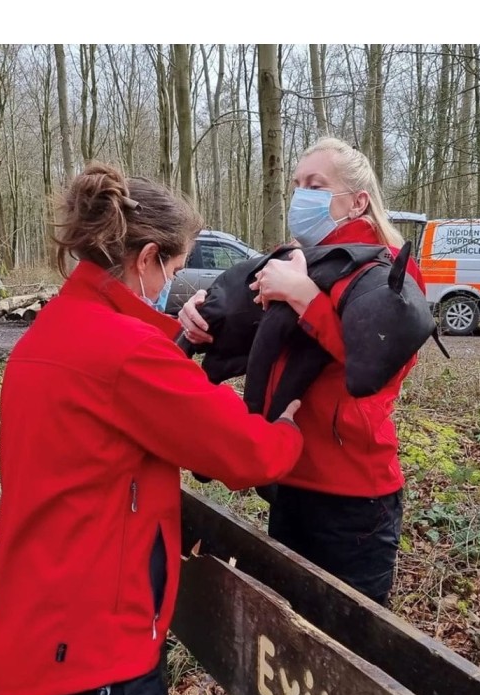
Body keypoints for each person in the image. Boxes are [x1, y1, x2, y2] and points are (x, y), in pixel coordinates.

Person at [0, 162, 304, 695]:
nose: (172, 287)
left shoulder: (55, 330)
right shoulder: (126, 354)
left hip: (38, 629)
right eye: (174, 269)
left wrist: (177, 341)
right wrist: (288, 431)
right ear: (147, 257)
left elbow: (130, 401)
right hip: (92, 658)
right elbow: (243, 453)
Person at [179, 137, 425, 608]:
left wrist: (305, 299)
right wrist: (200, 316)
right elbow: (244, 331)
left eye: (316, 185)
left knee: (351, 647)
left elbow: (378, 367)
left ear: (358, 201)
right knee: (290, 635)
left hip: (353, 495)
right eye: (297, 185)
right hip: (288, 477)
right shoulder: (294, 259)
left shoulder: (388, 271)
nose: (302, 196)